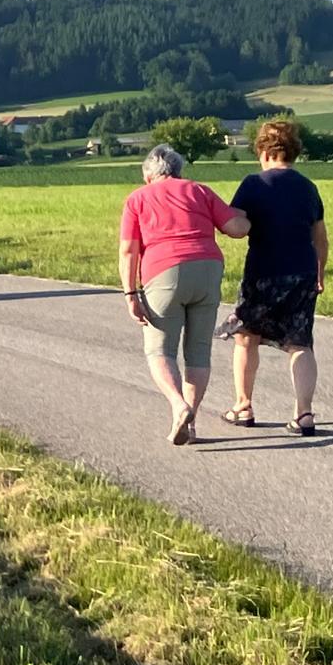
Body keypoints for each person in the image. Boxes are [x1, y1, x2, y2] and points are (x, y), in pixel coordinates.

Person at [119, 144, 249, 445]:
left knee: (159, 350)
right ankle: (191, 424)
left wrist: (130, 293)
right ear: (178, 170)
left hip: (163, 271)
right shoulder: (199, 191)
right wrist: (251, 215)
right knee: (199, 351)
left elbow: (129, 250)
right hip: (208, 269)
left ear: (148, 175)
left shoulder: (138, 198)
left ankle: (179, 406)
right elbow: (236, 228)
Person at [218, 120, 329, 437]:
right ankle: (304, 414)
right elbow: (320, 238)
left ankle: (243, 406)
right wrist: (319, 273)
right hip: (302, 272)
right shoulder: (308, 187)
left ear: (264, 152)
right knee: (300, 342)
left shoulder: (254, 184)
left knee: (246, 337)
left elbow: (236, 226)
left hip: (263, 272)